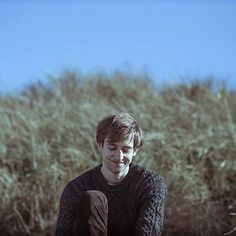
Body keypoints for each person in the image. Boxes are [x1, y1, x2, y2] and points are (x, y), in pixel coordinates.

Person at [56, 113, 167, 236]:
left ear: (135, 150)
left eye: (126, 149)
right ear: (100, 145)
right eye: (112, 148)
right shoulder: (76, 189)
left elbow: (148, 233)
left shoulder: (149, 184)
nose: (119, 156)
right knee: (93, 198)